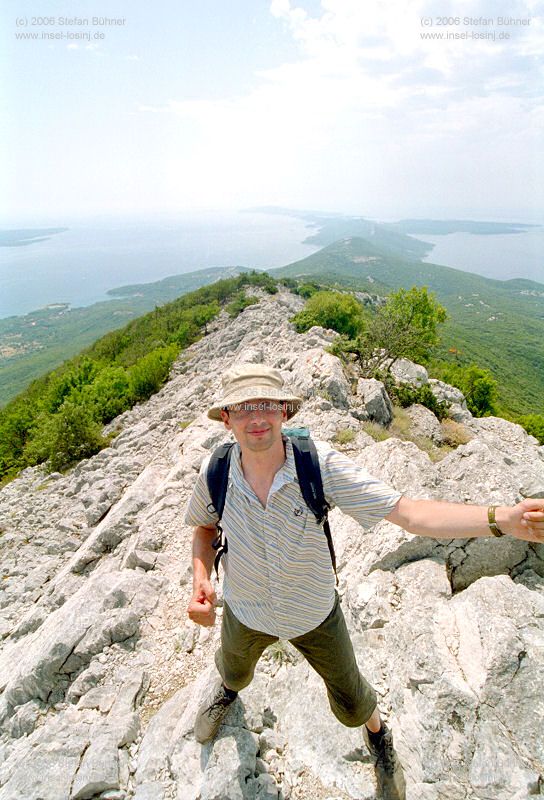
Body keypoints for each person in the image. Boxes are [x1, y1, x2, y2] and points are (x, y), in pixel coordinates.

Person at [184, 364, 544, 800]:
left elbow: (412, 514)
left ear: (284, 412)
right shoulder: (216, 472)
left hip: (313, 611)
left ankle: (378, 735)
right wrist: (201, 580)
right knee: (234, 670)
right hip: (246, 608)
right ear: (226, 418)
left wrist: (501, 519)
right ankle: (227, 692)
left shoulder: (318, 466)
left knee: (353, 701)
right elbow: (204, 529)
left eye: (266, 406)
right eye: (243, 408)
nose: (256, 418)